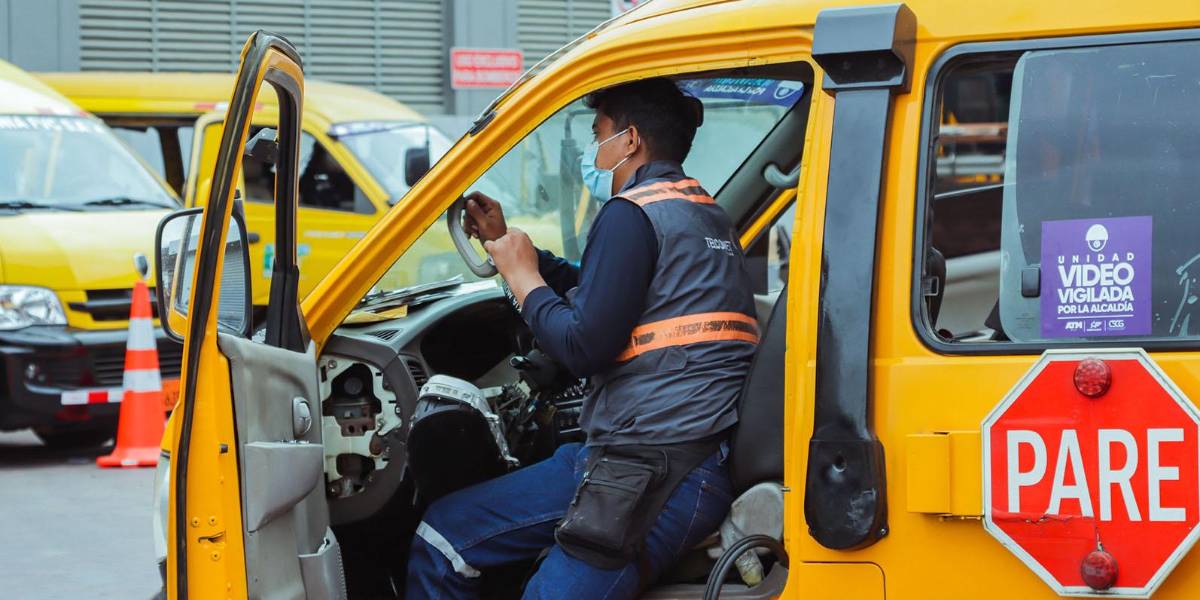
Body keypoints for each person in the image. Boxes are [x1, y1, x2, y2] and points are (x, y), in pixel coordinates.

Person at [406, 77, 758, 599]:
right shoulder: (703, 212)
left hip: (647, 473)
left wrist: (524, 280)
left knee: (442, 543)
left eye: (599, 135)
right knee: (446, 531)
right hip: (681, 460)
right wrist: (509, 248)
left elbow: (581, 346)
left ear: (630, 140)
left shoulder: (630, 213)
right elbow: (607, 290)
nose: (594, 151)